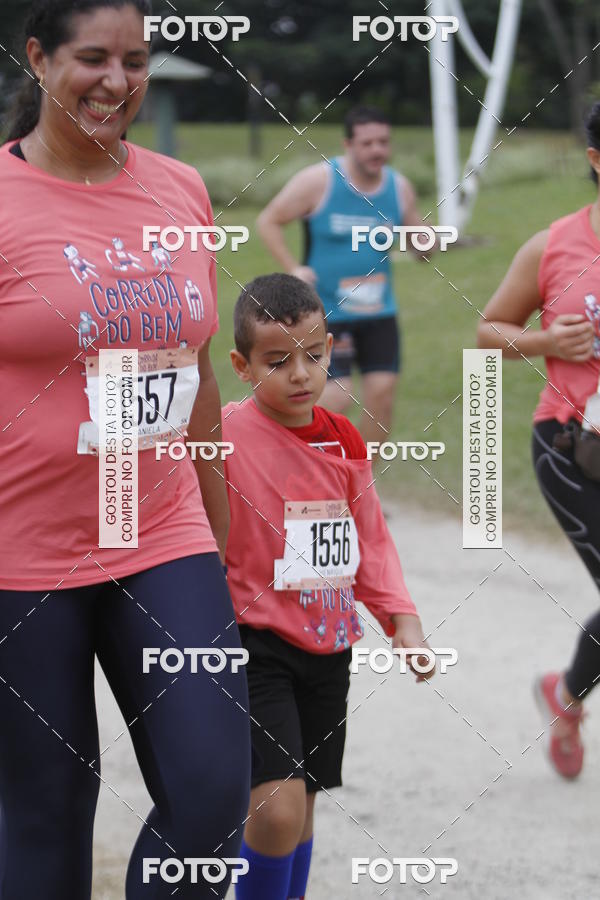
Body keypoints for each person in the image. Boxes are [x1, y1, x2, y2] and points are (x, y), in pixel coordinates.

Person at [0, 1, 250, 897]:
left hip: (160, 533)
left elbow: (202, 382)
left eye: (136, 61)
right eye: (93, 58)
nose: (117, 81)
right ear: (38, 58)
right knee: (45, 810)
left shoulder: (179, 189)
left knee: (216, 791)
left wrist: (230, 541)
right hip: (21, 555)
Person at [222, 273, 433, 899]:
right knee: (276, 810)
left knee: (304, 802)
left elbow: (369, 539)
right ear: (241, 365)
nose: (300, 373)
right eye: (277, 361)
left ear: (332, 348)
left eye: (314, 355)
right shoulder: (222, 435)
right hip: (253, 643)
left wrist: (402, 619)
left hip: (328, 646)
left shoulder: (344, 440)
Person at [477, 101, 600, 780]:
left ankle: (565, 693)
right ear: (595, 162)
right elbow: (487, 332)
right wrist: (548, 340)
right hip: (570, 447)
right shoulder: (553, 246)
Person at [256, 106, 429, 447]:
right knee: (337, 396)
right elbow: (268, 221)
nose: (377, 150)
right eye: (367, 143)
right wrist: (293, 268)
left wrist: (427, 242)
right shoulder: (319, 181)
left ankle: (359, 482)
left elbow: (420, 249)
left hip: (380, 312)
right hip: (328, 312)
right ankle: (291, 460)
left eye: (383, 142)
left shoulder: (399, 188)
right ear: (347, 144)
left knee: (382, 399)